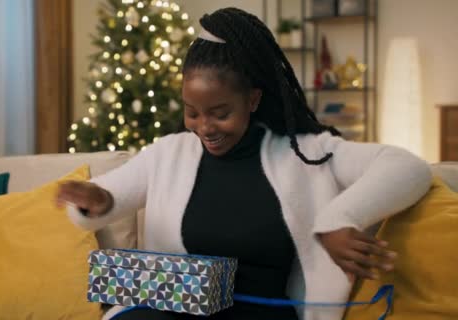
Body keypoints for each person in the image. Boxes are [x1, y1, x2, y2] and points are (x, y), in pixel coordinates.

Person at [56, 7, 431, 320]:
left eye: (220, 113)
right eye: (192, 112)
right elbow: (106, 199)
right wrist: (96, 200)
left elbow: (408, 167)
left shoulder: (307, 153)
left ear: (252, 99)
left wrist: (339, 219)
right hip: (175, 312)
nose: (205, 128)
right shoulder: (169, 154)